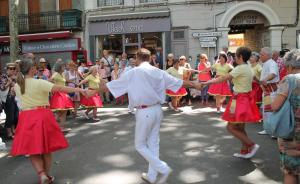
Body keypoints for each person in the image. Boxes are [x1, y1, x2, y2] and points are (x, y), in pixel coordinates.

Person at [95, 48, 201, 184]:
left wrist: (93, 92)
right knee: (153, 144)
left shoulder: (133, 72)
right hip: (157, 110)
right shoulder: (158, 72)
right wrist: (195, 84)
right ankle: (152, 176)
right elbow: (178, 82)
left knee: (140, 145)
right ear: (150, 58)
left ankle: (162, 168)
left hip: (144, 111)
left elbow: (113, 85)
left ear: (138, 58)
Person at [11, 58, 88, 184]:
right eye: (35, 67)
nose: (37, 69)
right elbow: (60, 88)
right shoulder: (39, 82)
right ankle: (46, 174)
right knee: (46, 149)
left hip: (26, 117)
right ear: (31, 69)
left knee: (32, 150)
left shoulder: (17, 85)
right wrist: (80, 90)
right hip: (42, 115)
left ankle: (41, 174)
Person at [203, 47, 261, 158]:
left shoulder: (240, 68)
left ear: (241, 57)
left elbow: (224, 78)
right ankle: (245, 151)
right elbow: (255, 78)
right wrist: (261, 82)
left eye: (236, 56)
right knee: (240, 127)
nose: (234, 57)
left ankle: (252, 145)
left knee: (231, 127)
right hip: (244, 99)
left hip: (239, 100)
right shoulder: (248, 67)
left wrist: (208, 82)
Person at [271, 49, 300, 184]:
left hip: (293, 133)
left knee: (291, 171)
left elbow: (275, 106)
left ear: (289, 66)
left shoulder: (289, 80)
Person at [258, 47, 280, 135]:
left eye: (261, 55)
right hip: (267, 92)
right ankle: (267, 129)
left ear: (267, 55)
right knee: (267, 111)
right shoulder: (266, 63)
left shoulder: (271, 63)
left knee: (271, 111)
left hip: (272, 92)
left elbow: (273, 74)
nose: (260, 56)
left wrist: (266, 80)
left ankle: (273, 131)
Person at [49, 61, 74, 132]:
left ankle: (61, 127)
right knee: (60, 110)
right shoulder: (56, 74)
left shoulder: (62, 74)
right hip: (58, 94)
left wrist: (72, 82)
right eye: (63, 66)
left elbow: (64, 82)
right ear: (59, 67)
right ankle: (56, 120)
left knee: (65, 111)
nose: (64, 67)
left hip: (64, 94)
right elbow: (50, 80)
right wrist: (53, 88)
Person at [0, 63, 19, 140]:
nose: (12, 70)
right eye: (10, 68)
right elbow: (2, 88)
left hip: (14, 98)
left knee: (15, 115)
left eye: (13, 69)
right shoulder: (3, 77)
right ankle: (9, 133)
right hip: (7, 98)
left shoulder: (15, 77)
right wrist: (9, 82)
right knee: (10, 116)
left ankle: (13, 130)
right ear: (7, 69)